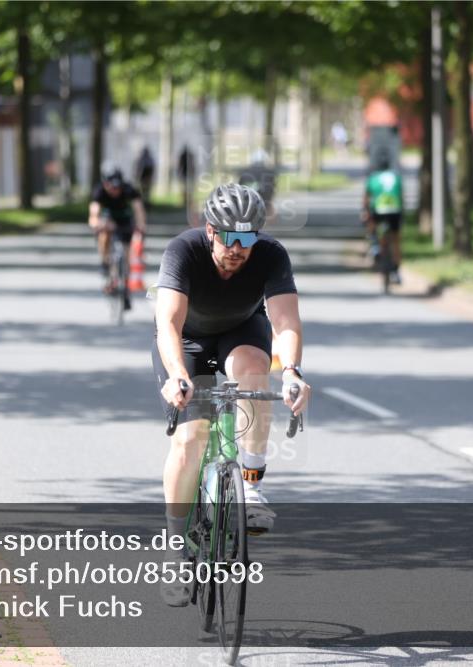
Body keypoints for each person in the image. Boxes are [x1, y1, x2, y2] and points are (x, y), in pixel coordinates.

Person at [153, 183, 311, 606]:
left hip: (242, 330)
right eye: (230, 237)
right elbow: (168, 322)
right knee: (190, 440)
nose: (239, 248)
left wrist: (293, 372)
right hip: (188, 342)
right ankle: (175, 550)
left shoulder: (271, 255)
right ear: (210, 231)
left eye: (248, 238)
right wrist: (175, 375)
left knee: (255, 375)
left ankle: (252, 481)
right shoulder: (182, 251)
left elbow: (286, 321)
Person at [88, 163, 147, 309]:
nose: (115, 190)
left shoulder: (128, 189)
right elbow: (94, 213)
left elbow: (139, 210)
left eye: (118, 186)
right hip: (108, 221)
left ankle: (125, 291)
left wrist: (141, 226)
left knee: (126, 257)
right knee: (104, 233)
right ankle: (104, 261)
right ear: (105, 183)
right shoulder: (99, 191)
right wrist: (95, 223)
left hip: (125, 221)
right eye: (112, 187)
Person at [361, 155, 403, 284]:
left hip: (379, 210)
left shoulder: (373, 178)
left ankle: (374, 245)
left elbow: (366, 199)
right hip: (395, 210)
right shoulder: (396, 177)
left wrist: (364, 212)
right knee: (396, 240)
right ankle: (396, 271)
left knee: (370, 222)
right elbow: (401, 195)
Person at [176, 145, 196, 210]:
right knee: (186, 189)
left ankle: (188, 202)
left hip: (187, 174)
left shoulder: (187, 156)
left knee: (187, 189)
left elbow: (192, 165)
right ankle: (186, 202)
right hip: (185, 174)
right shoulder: (187, 156)